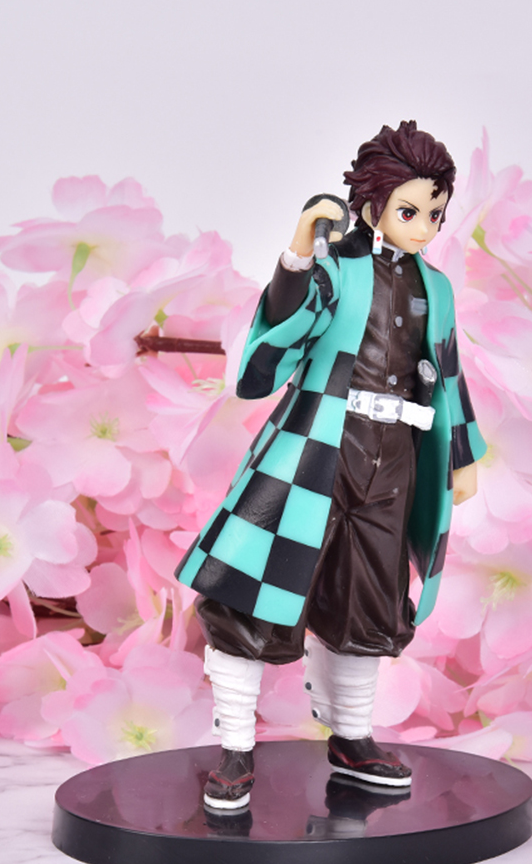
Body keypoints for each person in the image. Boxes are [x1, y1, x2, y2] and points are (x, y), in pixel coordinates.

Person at [175, 121, 485, 809]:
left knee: (369, 601)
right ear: (372, 203)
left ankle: (351, 736)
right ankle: (235, 748)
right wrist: (298, 253)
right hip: (313, 454)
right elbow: (278, 341)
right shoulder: (336, 272)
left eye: (435, 213)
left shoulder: (436, 289)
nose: (425, 227)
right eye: (410, 211)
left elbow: (449, 376)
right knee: (255, 593)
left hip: (394, 462)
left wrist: (462, 455)